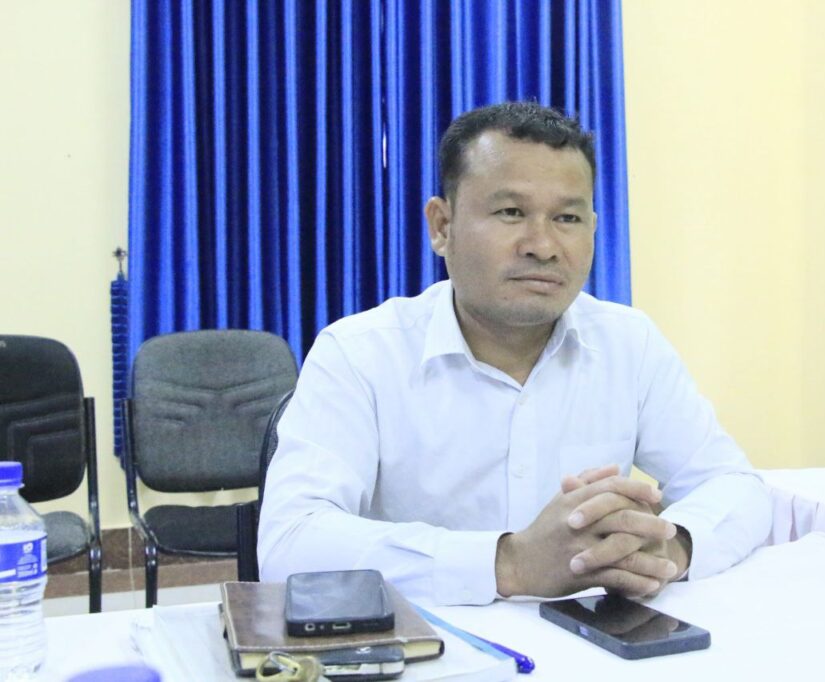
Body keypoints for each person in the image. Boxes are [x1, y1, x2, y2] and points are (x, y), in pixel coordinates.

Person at [258, 101, 771, 605]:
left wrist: (671, 546)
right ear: (442, 226)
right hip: (428, 644)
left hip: (590, 640)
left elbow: (734, 485)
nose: (542, 246)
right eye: (511, 213)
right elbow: (289, 543)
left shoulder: (628, 343)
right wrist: (510, 564)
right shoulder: (359, 354)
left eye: (567, 217)